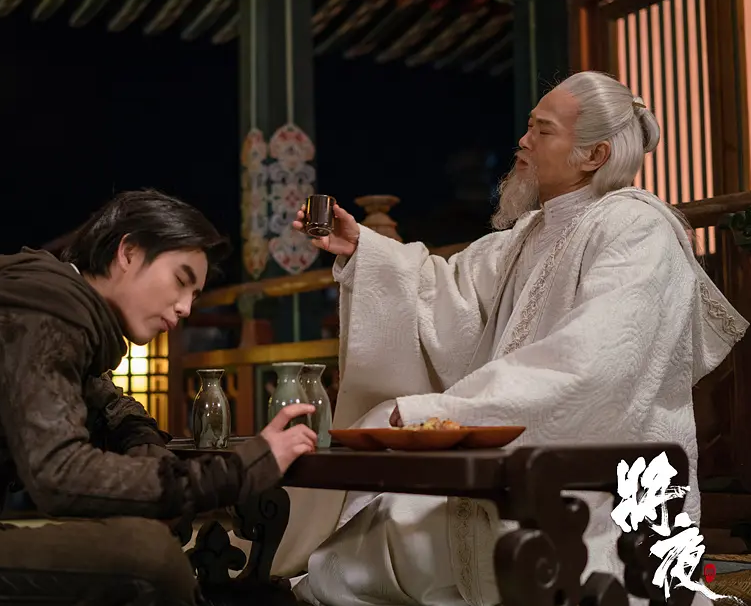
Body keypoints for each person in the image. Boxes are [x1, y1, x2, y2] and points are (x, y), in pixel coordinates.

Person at [280, 71, 748, 606]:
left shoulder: (636, 229)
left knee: (384, 552)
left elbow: (596, 360)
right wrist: (363, 248)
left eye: (542, 131)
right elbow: (445, 292)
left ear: (594, 155)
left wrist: (443, 412)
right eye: (528, 126)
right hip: (516, 471)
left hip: (600, 491)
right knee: (347, 557)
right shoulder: (530, 234)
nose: (523, 142)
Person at [0, 190, 318, 606]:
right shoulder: (46, 308)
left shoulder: (56, 302)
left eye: (195, 294)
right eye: (180, 281)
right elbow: (59, 473)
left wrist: (144, 443)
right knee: (149, 560)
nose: (186, 307)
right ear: (128, 253)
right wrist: (241, 469)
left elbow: (108, 403)